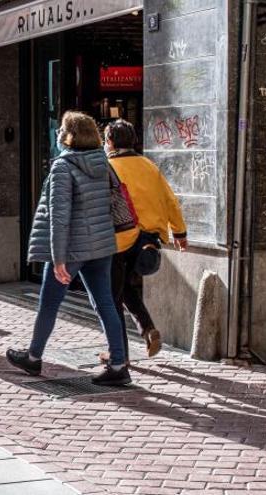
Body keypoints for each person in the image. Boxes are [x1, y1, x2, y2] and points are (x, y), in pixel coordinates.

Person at [6, 111, 129, 386]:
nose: (59, 133)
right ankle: (119, 363)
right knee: (105, 302)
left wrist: (59, 258)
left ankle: (34, 357)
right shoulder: (103, 162)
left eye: (62, 129)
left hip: (72, 249)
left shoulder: (63, 166)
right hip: (100, 246)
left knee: (49, 302)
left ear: (69, 135)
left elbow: (59, 216)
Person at [103, 119, 188, 360]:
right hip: (146, 240)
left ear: (109, 142)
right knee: (123, 289)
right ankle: (148, 330)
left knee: (111, 297)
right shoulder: (149, 166)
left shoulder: (108, 167)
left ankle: (119, 355)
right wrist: (179, 232)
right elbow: (170, 200)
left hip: (117, 240)